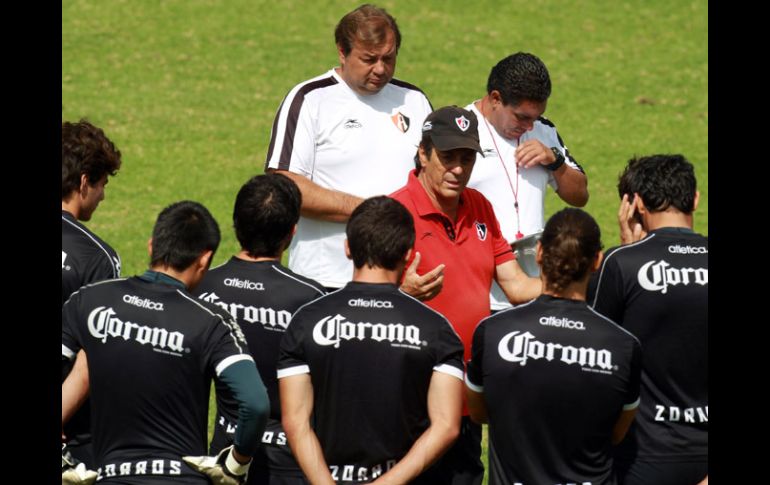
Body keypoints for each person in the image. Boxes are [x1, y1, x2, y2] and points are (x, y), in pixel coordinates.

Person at [61, 201, 270, 484]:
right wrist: (236, 464)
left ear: (151, 246)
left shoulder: (89, 301)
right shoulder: (212, 321)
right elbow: (255, 403)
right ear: (204, 260)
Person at [389, 105, 542, 485]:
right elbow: (364, 298)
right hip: (409, 395)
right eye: (448, 157)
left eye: (467, 158)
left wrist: (579, 282)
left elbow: (517, 286)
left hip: (465, 397)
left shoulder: (480, 207)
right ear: (423, 154)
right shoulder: (393, 212)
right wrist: (401, 291)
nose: (458, 169)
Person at [278, 196, 464, 484]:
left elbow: (295, 421)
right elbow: (447, 426)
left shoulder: (305, 321)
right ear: (408, 253)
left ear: (348, 248)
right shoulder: (437, 330)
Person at [264, 3, 436, 292]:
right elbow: (283, 186)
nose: (381, 69)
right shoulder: (310, 99)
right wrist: (370, 212)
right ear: (342, 52)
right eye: (369, 59)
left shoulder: (414, 100)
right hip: (325, 280)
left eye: (389, 59)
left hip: (401, 282)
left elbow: (432, 180)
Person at [466, 207, 641, 485]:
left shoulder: (492, 332)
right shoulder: (623, 346)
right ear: (597, 261)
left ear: (538, 253)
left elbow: (478, 412)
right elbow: (617, 432)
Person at [193, 174, 325, 484]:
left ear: (235, 224)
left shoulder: (201, 290)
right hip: (293, 463)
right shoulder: (313, 301)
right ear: (292, 232)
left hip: (226, 457)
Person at [588, 154, 708, 485]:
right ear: (695, 199)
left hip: (642, 457)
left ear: (637, 204)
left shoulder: (621, 265)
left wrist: (626, 250)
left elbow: (596, 359)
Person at [465, 52, 588, 310]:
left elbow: (580, 196)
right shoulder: (459, 129)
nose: (530, 126)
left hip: (532, 292)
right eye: (522, 117)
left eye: (536, 116)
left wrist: (554, 161)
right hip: (475, 290)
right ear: (495, 99)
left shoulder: (545, 131)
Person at [61, 119, 123, 470]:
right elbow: (91, 355)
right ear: (84, 182)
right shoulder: (98, 257)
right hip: (74, 430)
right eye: (101, 185)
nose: (102, 196)